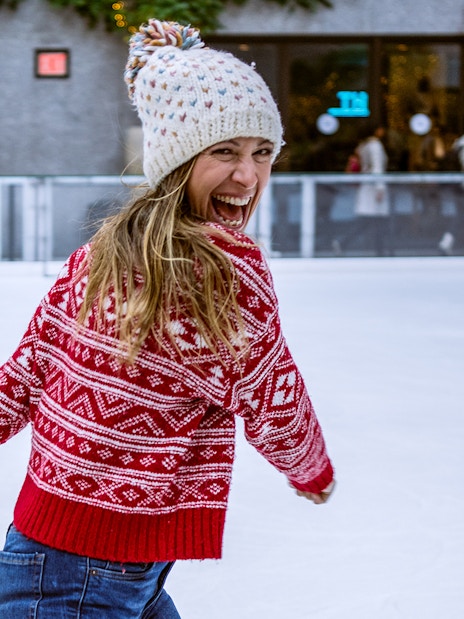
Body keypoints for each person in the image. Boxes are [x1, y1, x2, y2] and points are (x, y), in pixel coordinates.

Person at [0, 18, 335, 618]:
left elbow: (25, 374)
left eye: (262, 154)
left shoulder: (102, 252)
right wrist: (312, 471)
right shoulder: (222, 276)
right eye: (225, 152)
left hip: (68, 549)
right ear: (178, 162)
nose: (248, 176)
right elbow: (272, 396)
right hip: (85, 571)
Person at [333, 124, 390, 256]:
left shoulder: (363, 146)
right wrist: (380, 187)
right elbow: (377, 167)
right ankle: (378, 250)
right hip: (373, 188)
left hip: (367, 186)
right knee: (374, 221)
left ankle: (346, 243)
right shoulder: (375, 146)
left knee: (370, 221)